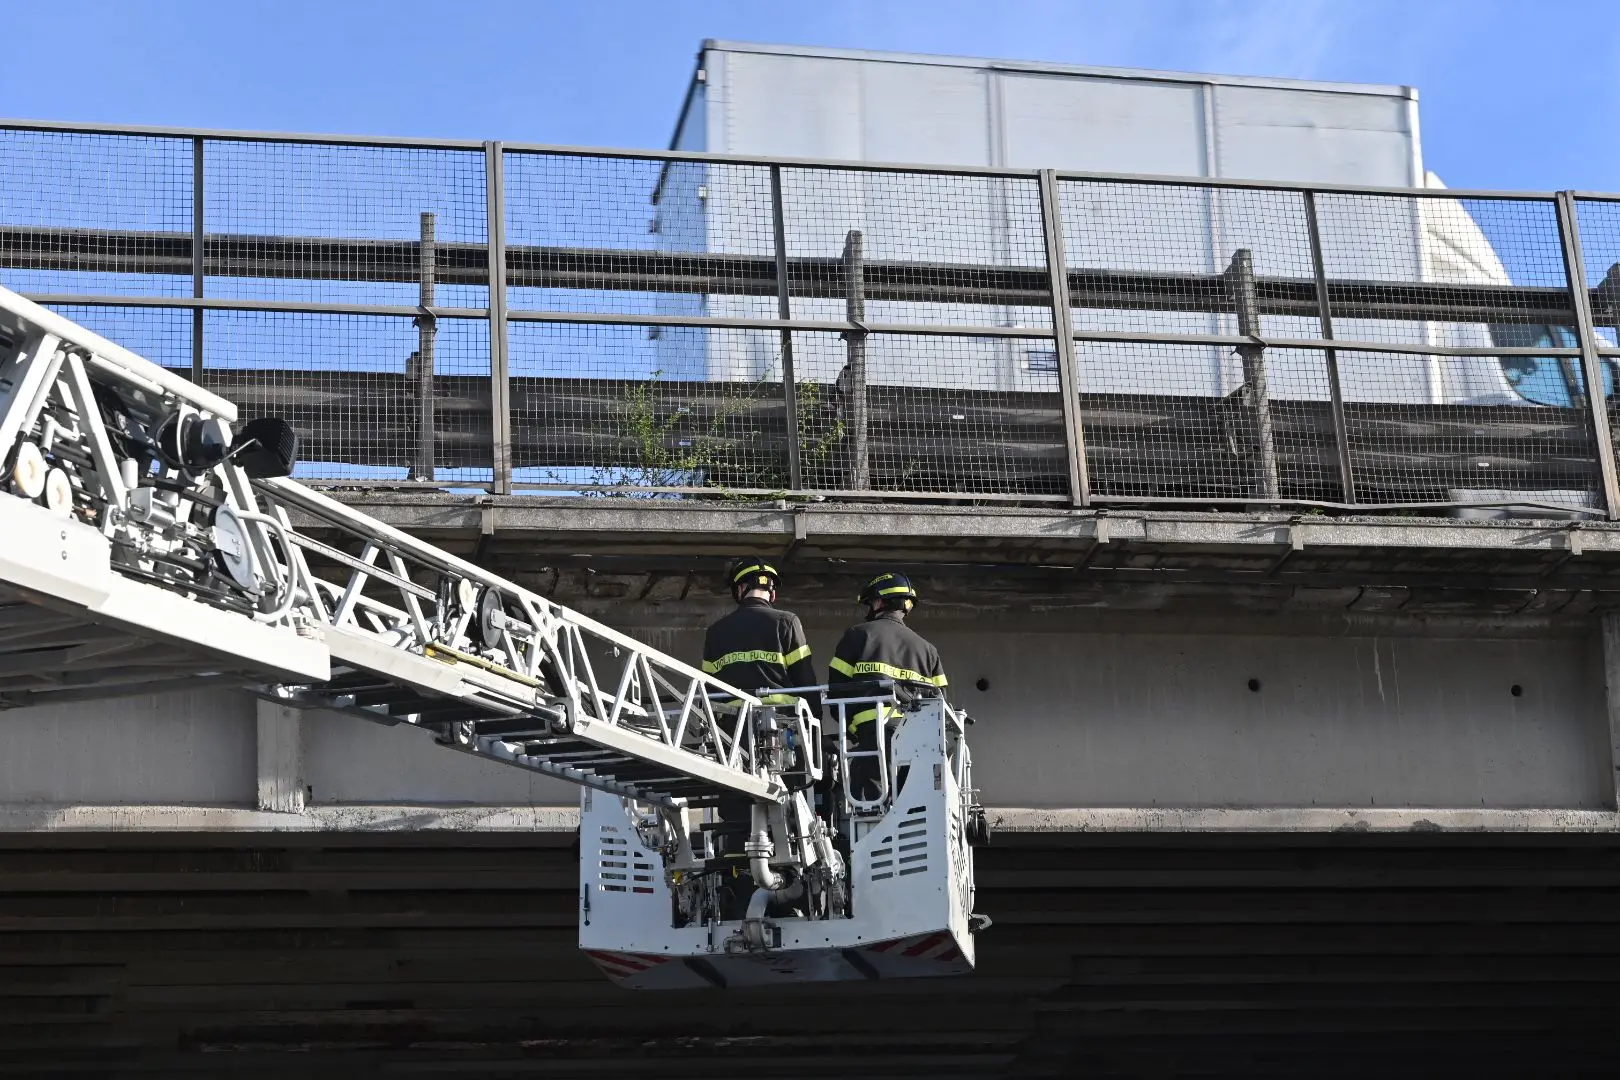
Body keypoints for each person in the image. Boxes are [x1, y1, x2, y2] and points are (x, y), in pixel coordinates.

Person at [701, 558, 819, 915]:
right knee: (791, 809)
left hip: (732, 741)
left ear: (739, 590)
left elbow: (709, 693)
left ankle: (738, 883)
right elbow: (807, 685)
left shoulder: (716, 633)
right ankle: (794, 883)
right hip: (783, 738)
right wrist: (816, 730)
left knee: (735, 811)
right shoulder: (786, 622)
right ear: (771, 590)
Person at [826, 571, 947, 806]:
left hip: (872, 740)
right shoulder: (928, 650)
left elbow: (836, 691)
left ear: (879, 601)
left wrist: (851, 728)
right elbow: (941, 705)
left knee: (870, 810)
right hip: (915, 745)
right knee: (910, 808)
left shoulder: (857, 635)